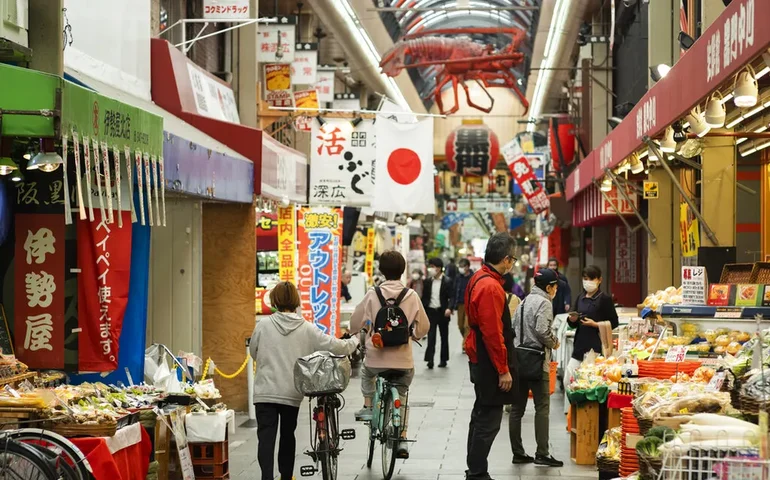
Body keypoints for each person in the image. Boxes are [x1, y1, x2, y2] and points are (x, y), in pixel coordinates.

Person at [249, 282, 359, 480]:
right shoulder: (306, 327)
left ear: (274, 300)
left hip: (265, 391)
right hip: (291, 392)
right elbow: (334, 345)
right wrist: (355, 341)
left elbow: (254, 352)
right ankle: (286, 476)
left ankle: (266, 476)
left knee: (265, 437)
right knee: (287, 436)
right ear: (296, 301)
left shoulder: (263, 325)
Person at [350, 250, 430, 458]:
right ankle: (401, 437)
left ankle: (368, 406)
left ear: (382, 271)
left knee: (367, 373)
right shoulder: (411, 296)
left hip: (376, 359)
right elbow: (424, 327)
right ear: (403, 271)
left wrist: (356, 331)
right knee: (402, 395)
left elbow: (355, 322)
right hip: (403, 362)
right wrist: (413, 334)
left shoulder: (372, 294)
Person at [464, 233, 518, 480]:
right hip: (487, 359)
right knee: (489, 418)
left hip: (480, 355)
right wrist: (503, 369)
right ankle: (477, 472)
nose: (513, 264)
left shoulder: (479, 278)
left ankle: (475, 468)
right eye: (513, 260)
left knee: (481, 413)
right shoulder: (490, 286)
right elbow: (493, 333)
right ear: (506, 259)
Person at [509, 268, 563, 467]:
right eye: (555, 286)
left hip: (519, 358)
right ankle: (542, 453)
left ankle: (518, 452)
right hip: (537, 360)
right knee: (542, 408)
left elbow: (513, 327)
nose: (556, 290)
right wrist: (554, 342)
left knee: (517, 409)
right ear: (549, 287)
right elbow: (542, 330)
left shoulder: (523, 302)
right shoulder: (545, 302)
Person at [564, 265, 619, 409]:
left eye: (591, 279)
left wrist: (596, 324)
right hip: (579, 344)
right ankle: (573, 411)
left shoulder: (604, 299)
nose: (587, 282)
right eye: (585, 279)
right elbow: (572, 323)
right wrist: (572, 319)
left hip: (596, 347)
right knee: (568, 379)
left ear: (599, 280)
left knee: (591, 382)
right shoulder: (580, 297)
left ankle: (589, 411)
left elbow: (614, 322)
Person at [422, 257, 453, 369]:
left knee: (444, 337)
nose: (431, 269)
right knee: (431, 337)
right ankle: (430, 359)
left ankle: (443, 360)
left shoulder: (447, 281)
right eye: (430, 266)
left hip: (443, 312)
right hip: (431, 312)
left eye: (433, 267)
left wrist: (449, 308)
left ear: (439, 268)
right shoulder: (427, 281)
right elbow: (424, 297)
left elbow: (452, 297)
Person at [452, 258, 473, 352]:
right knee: (460, 325)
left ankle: (465, 345)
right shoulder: (458, 277)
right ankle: (467, 340)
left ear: (467, 267)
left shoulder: (473, 277)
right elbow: (454, 290)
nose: (460, 269)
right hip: (460, 304)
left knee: (467, 325)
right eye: (459, 267)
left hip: (470, 304)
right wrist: (452, 306)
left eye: (462, 266)